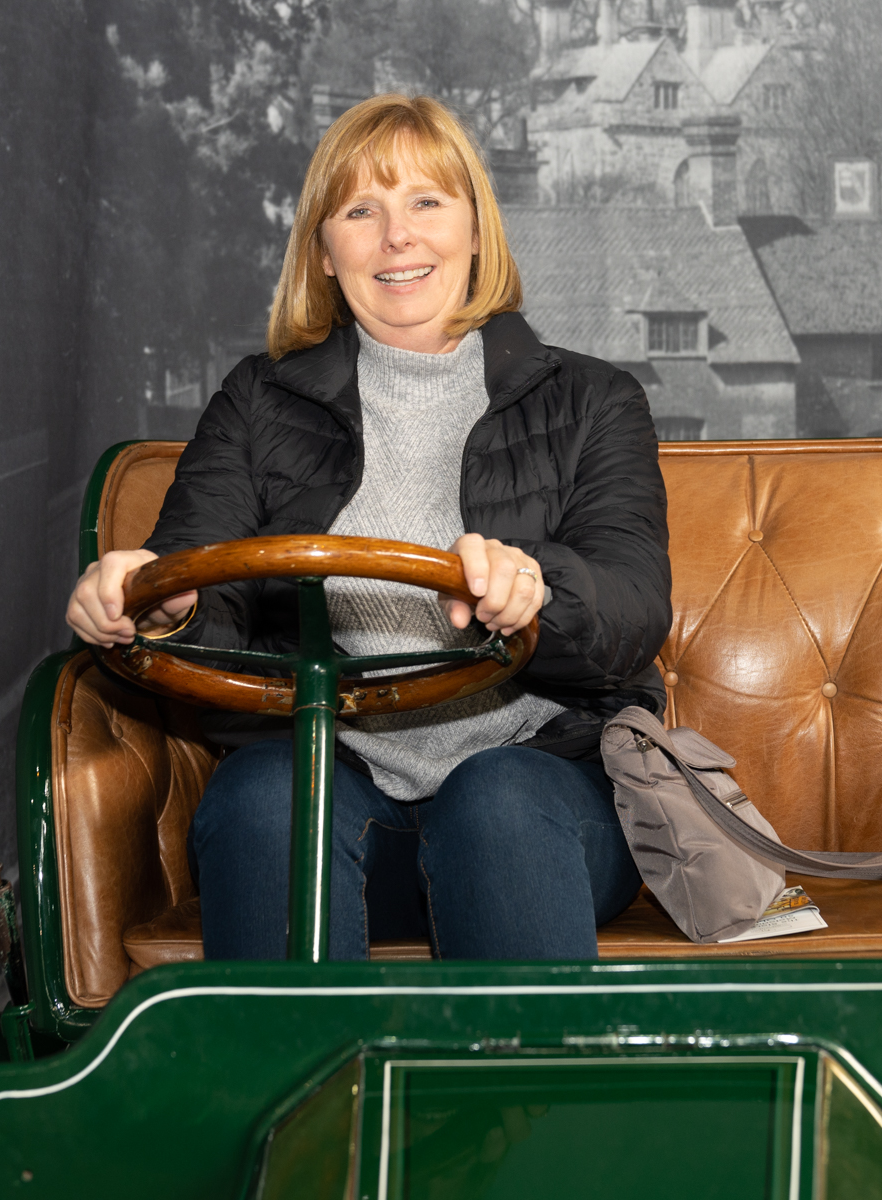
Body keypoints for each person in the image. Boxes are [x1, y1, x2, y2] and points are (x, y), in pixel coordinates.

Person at [64, 94, 671, 962]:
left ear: (475, 231)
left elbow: (636, 607)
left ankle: (517, 1100)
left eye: (427, 202)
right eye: (361, 211)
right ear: (323, 250)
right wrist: (160, 606)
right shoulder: (257, 401)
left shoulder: (594, 400)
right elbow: (204, 596)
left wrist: (536, 586)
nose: (397, 237)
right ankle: (298, 1096)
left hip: (541, 790)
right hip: (339, 791)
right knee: (266, 799)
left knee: (493, 802)